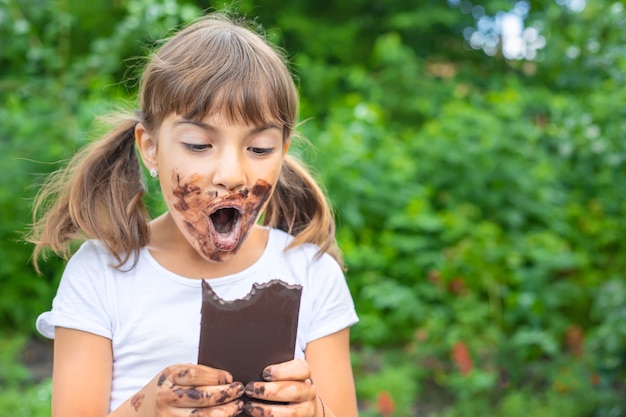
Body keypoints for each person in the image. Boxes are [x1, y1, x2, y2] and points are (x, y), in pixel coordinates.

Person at [30, 13, 359, 417]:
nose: (232, 175)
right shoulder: (100, 275)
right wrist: (146, 407)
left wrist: (313, 411)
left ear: (284, 153)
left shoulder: (311, 271)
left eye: (259, 149)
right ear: (150, 148)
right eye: (200, 145)